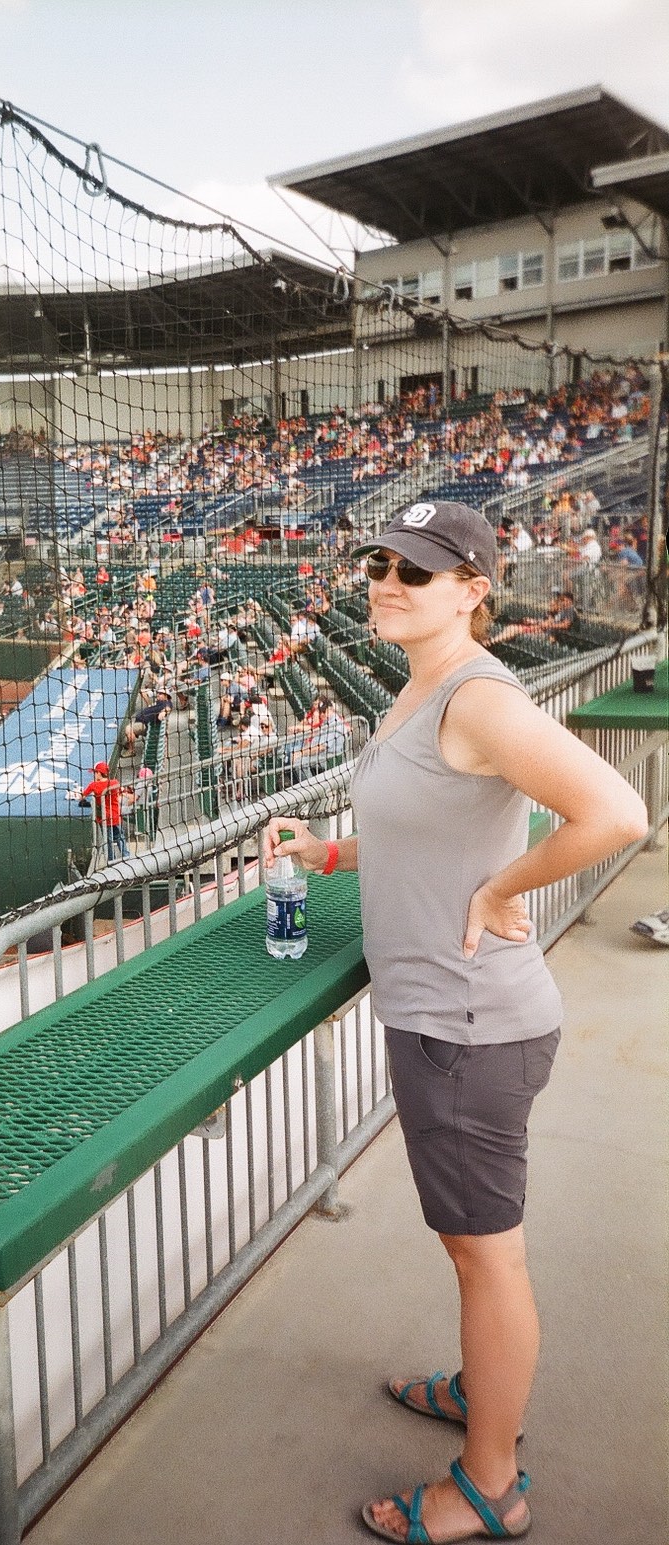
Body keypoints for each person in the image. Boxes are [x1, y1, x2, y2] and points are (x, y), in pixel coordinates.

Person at [264, 500, 647, 1544]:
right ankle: (487, 1388)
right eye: (381, 564)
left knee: (487, 1259)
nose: (387, 582)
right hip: (448, 1018)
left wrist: (500, 889)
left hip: (469, 1025)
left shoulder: (474, 697)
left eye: (417, 572)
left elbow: (616, 814)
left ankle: (488, 1485)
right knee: (474, 1252)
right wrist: (333, 856)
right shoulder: (421, 684)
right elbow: (435, 820)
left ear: (474, 591)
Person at [79, 760, 131, 861]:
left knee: (108, 840)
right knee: (120, 837)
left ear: (99, 773)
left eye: (95, 772)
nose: (94, 774)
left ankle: (111, 860)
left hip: (104, 818)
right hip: (116, 815)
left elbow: (81, 797)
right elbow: (123, 791)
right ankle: (126, 856)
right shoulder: (115, 782)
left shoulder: (93, 785)